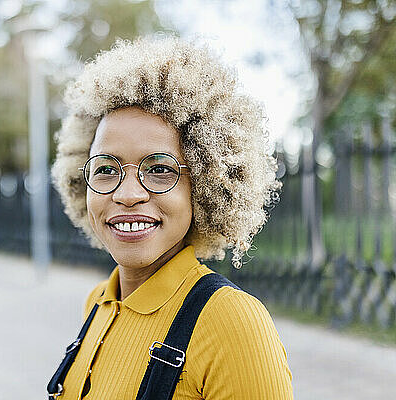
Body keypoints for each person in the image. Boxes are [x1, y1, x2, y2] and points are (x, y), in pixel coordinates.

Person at [48, 34, 293, 399]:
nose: (127, 194)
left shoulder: (232, 322)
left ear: (205, 184)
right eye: (105, 169)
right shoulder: (98, 302)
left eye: (159, 169)